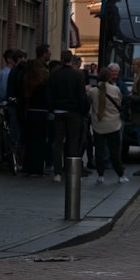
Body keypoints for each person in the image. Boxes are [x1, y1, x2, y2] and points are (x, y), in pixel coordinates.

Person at [46, 50, 90, 183]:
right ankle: (72, 171)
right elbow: (82, 97)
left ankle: (57, 172)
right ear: (71, 59)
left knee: (58, 142)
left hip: (58, 112)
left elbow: (49, 94)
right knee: (73, 141)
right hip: (74, 112)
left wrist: (51, 109)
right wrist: (84, 111)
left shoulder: (54, 75)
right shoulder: (77, 76)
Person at [88, 66, 129, 185]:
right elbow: (120, 102)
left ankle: (100, 175)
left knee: (99, 151)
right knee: (114, 151)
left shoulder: (93, 91)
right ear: (109, 77)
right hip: (113, 124)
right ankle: (120, 175)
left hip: (98, 125)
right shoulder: (115, 89)